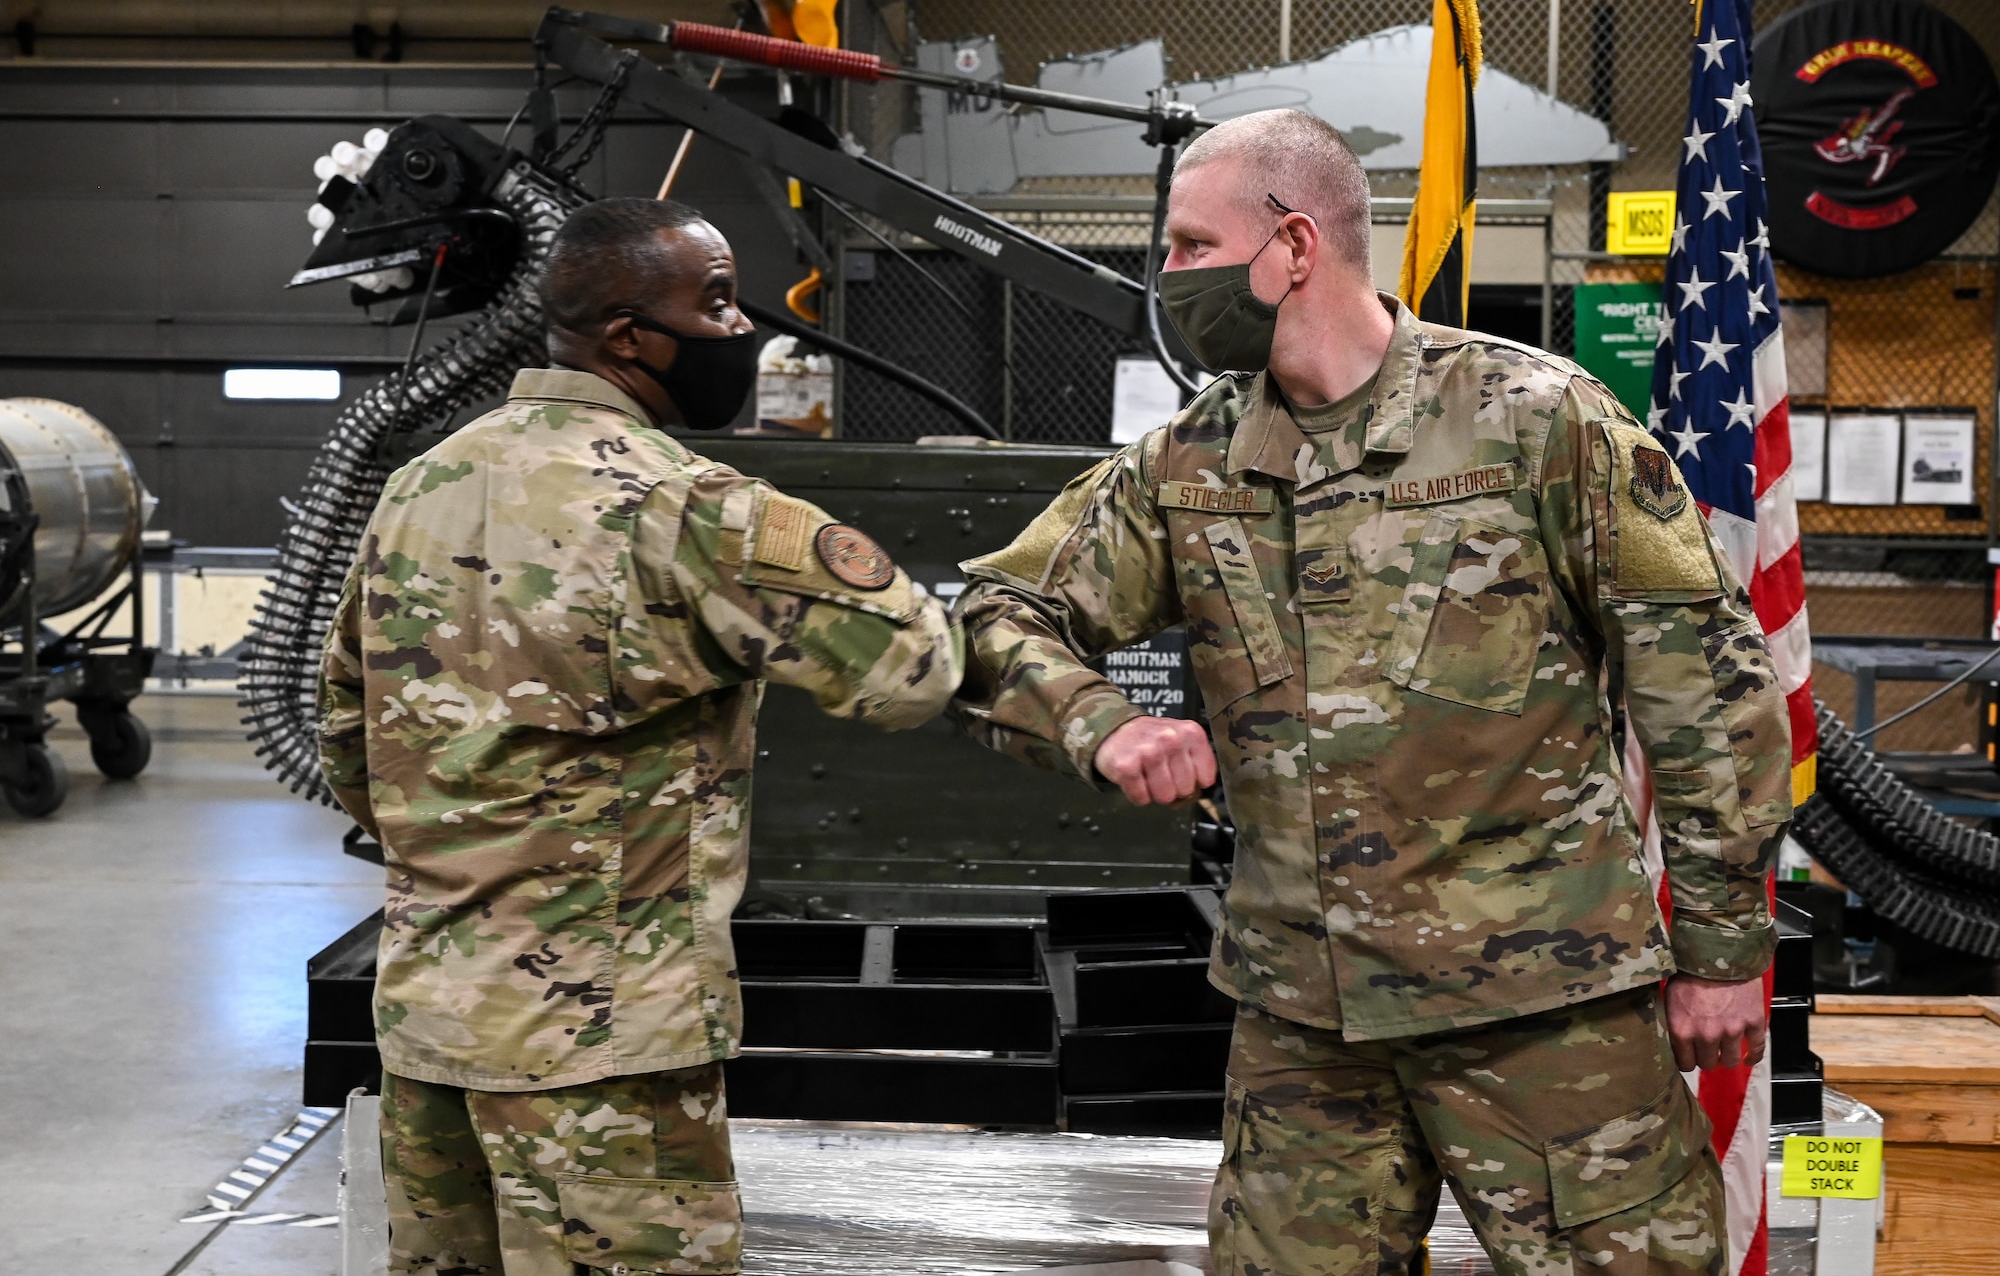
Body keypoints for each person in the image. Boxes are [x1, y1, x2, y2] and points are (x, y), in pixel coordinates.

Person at [951, 109, 1790, 1275]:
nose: (1168, 277)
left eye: (1190, 245)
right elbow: (993, 615)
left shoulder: (1533, 419)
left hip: (1542, 1011)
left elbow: (1703, 684)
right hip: (1305, 1024)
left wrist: (1718, 946)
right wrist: (1100, 725)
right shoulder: (1187, 463)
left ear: (1292, 245)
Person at [318, 197, 962, 1276]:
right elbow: (911, 668)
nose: (738, 326)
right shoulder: (684, 506)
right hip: (603, 1049)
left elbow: (348, 730)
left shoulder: (416, 487)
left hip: (430, 1029)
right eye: (712, 301)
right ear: (626, 335)